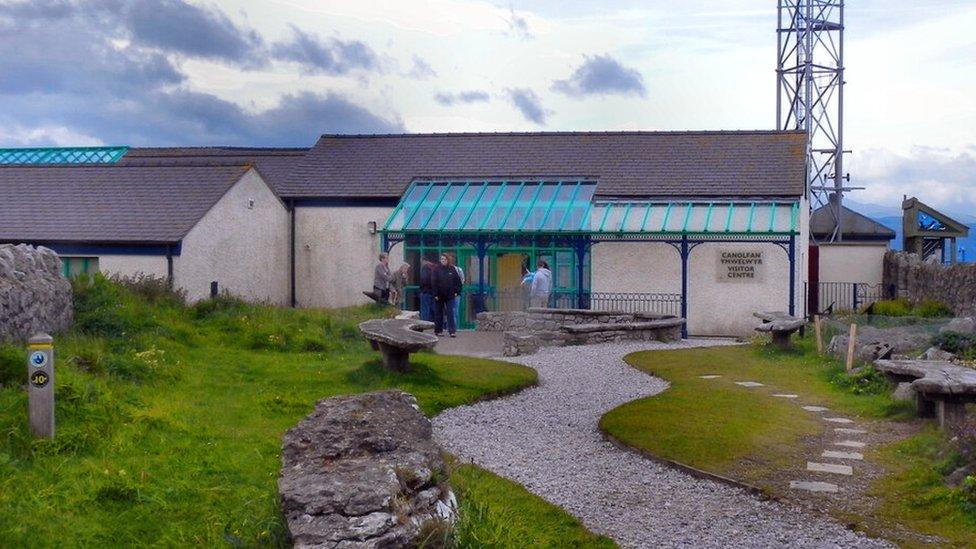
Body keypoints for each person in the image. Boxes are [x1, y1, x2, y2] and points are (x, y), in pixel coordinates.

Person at [432, 253, 462, 337]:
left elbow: (458, 282)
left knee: (450, 313)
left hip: (450, 296)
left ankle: (452, 331)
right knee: (439, 313)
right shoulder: (436, 269)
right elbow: (433, 282)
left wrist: (457, 292)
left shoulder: (452, 269)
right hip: (439, 296)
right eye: (441, 259)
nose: (443, 261)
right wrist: (435, 294)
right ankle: (438, 331)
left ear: (448, 260)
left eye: (444, 259)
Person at [449, 253, 465, 327]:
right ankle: (448, 327)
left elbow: (462, 281)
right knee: (448, 311)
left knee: (455, 311)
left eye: (452, 259)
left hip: (455, 294)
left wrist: (457, 291)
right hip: (446, 294)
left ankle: (454, 327)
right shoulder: (444, 269)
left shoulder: (459, 270)